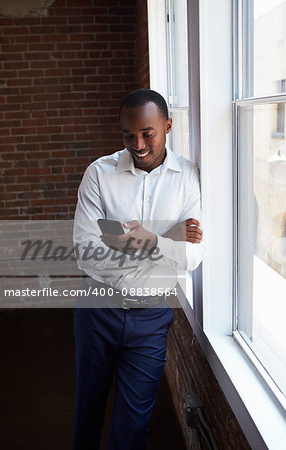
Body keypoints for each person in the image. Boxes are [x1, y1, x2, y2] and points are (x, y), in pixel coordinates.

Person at [73, 88, 204, 450]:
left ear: (167, 125)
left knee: (133, 427)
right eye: (129, 135)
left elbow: (192, 258)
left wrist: (132, 240)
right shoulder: (99, 175)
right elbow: (87, 253)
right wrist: (162, 240)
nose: (139, 143)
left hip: (150, 317)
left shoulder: (187, 178)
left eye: (148, 133)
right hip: (97, 309)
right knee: (88, 411)